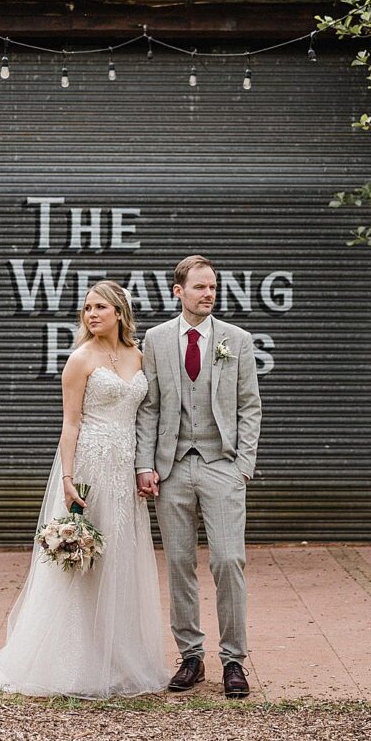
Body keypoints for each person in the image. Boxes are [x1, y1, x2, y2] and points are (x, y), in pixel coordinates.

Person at [0, 280, 170, 698]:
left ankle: (119, 657)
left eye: (100, 307)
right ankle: (72, 661)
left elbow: (144, 418)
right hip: (89, 466)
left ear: (119, 313)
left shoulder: (139, 357)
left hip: (125, 471)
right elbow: (71, 423)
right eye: (87, 308)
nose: (91, 314)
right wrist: (67, 478)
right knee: (83, 562)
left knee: (120, 558)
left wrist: (145, 466)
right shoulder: (79, 360)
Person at [135, 254, 262, 699]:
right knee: (179, 562)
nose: (208, 294)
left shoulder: (237, 340)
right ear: (179, 292)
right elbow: (148, 407)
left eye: (212, 287)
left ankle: (233, 661)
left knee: (229, 560)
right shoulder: (155, 339)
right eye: (200, 287)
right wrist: (144, 463)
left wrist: (242, 465)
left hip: (221, 465)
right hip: (171, 468)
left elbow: (250, 406)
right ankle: (191, 656)